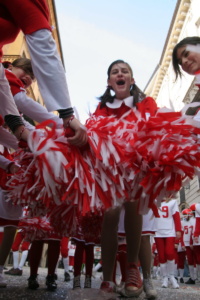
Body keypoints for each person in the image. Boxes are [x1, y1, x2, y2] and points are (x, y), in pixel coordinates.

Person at [93, 59, 158, 298]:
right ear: (109, 82)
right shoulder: (103, 106)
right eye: (114, 72)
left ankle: (133, 269)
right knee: (110, 214)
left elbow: (154, 128)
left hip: (138, 166)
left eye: (124, 71)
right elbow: (96, 133)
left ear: (132, 79)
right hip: (110, 168)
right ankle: (108, 277)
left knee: (134, 209)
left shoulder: (147, 102)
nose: (120, 74)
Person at [0, 0, 87, 146]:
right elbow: (42, 43)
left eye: (33, 78)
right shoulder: (8, 78)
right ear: (12, 66)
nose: (28, 77)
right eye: (27, 70)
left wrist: (20, 130)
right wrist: (66, 117)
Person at [154, 197, 181, 289]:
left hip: (170, 231)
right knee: (161, 256)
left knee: (169, 253)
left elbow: (176, 216)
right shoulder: (154, 201)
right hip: (157, 232)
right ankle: (165, 277)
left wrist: (178, 230)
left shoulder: (173, 202)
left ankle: (172, 276)